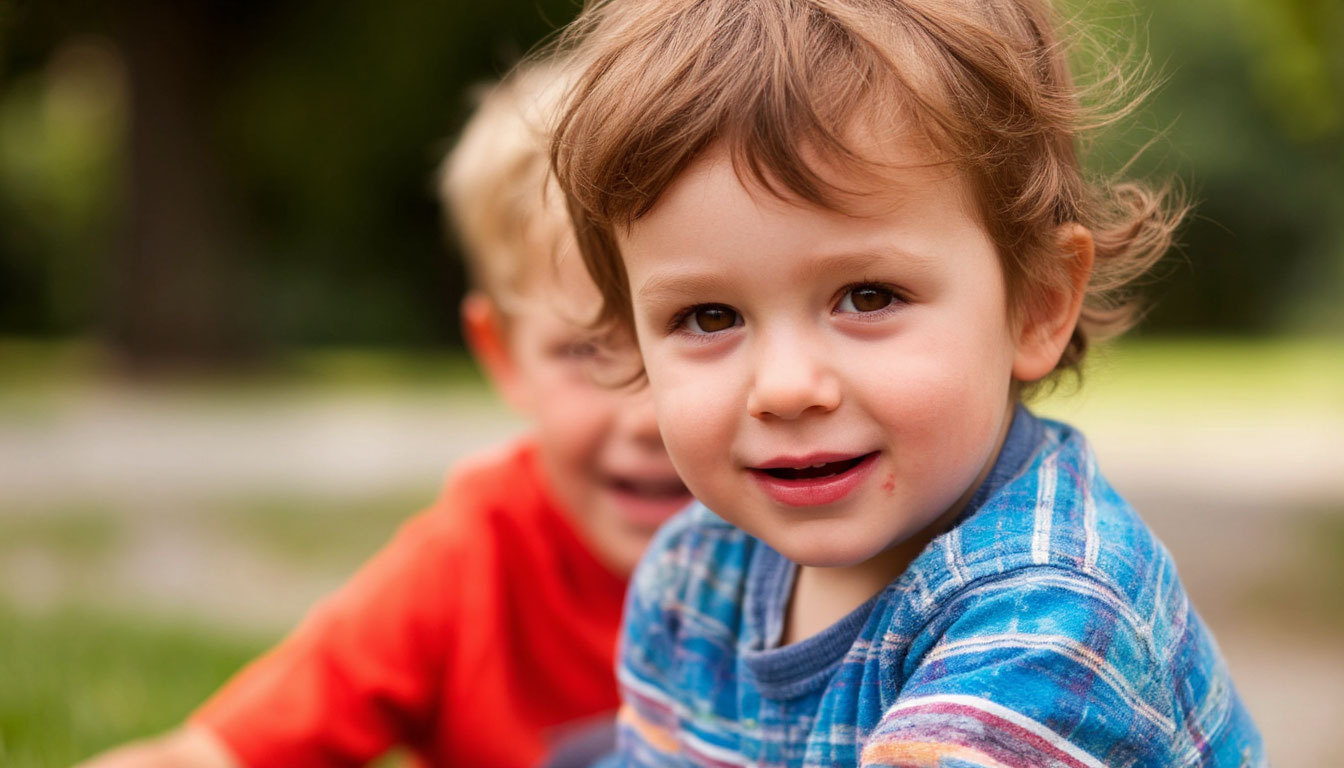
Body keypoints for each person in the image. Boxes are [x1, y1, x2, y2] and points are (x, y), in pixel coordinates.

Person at [548, 0, 1266, 765]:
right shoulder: (696, 576)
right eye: (709, 316)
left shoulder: (1051, 617)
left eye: (868, 296)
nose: (786, 388)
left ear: (1037, 305)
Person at [76, 61, 691, 768]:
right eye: (585, 351)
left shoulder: (825, 552)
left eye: (698, 328)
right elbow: (214, 755)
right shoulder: (470, 564)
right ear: (503, 356)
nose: (647, 417)